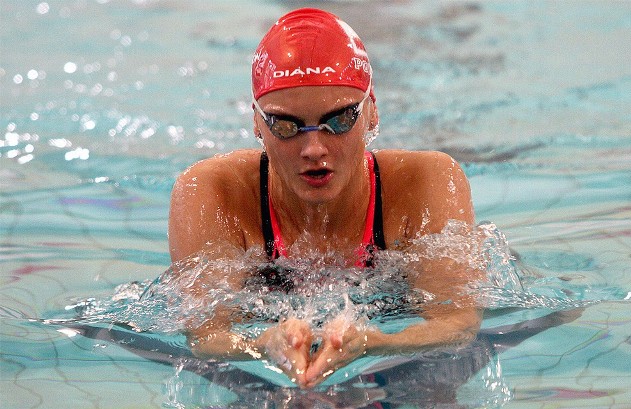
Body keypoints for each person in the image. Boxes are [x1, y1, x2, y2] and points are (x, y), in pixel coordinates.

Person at [168, 8, 482, 388]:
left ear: (372, 112)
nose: (314, 148)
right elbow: (205, 335)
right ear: (256, 122)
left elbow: (458, 322)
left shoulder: (426, 185)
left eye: (340, 120)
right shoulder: (212, 194)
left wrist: (378, 341)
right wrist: (260, 344)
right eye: (286, 126)